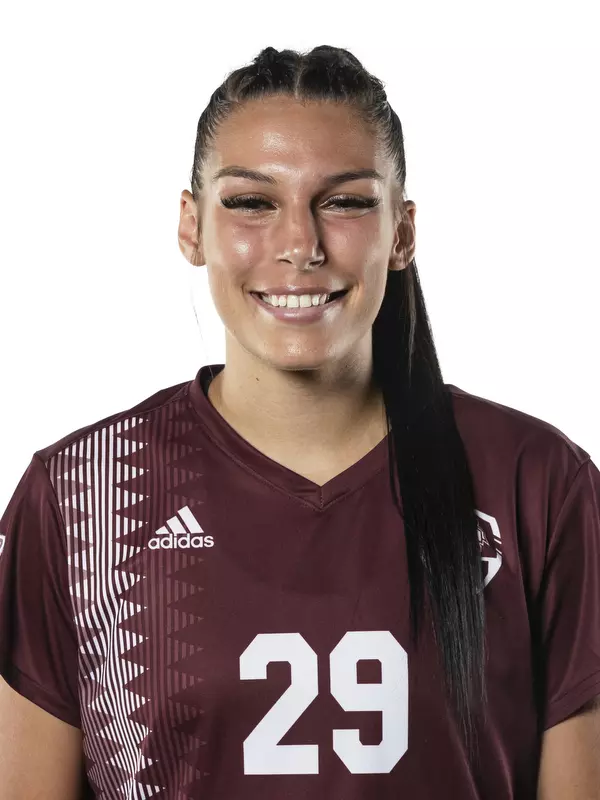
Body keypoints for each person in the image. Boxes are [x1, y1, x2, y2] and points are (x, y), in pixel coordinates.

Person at [0, 44, 598, 800]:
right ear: (191, 226)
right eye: (252, 202)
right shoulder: (87, 495)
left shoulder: (537, 483)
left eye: (344, 202)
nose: (299, 246)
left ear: (402, 232)